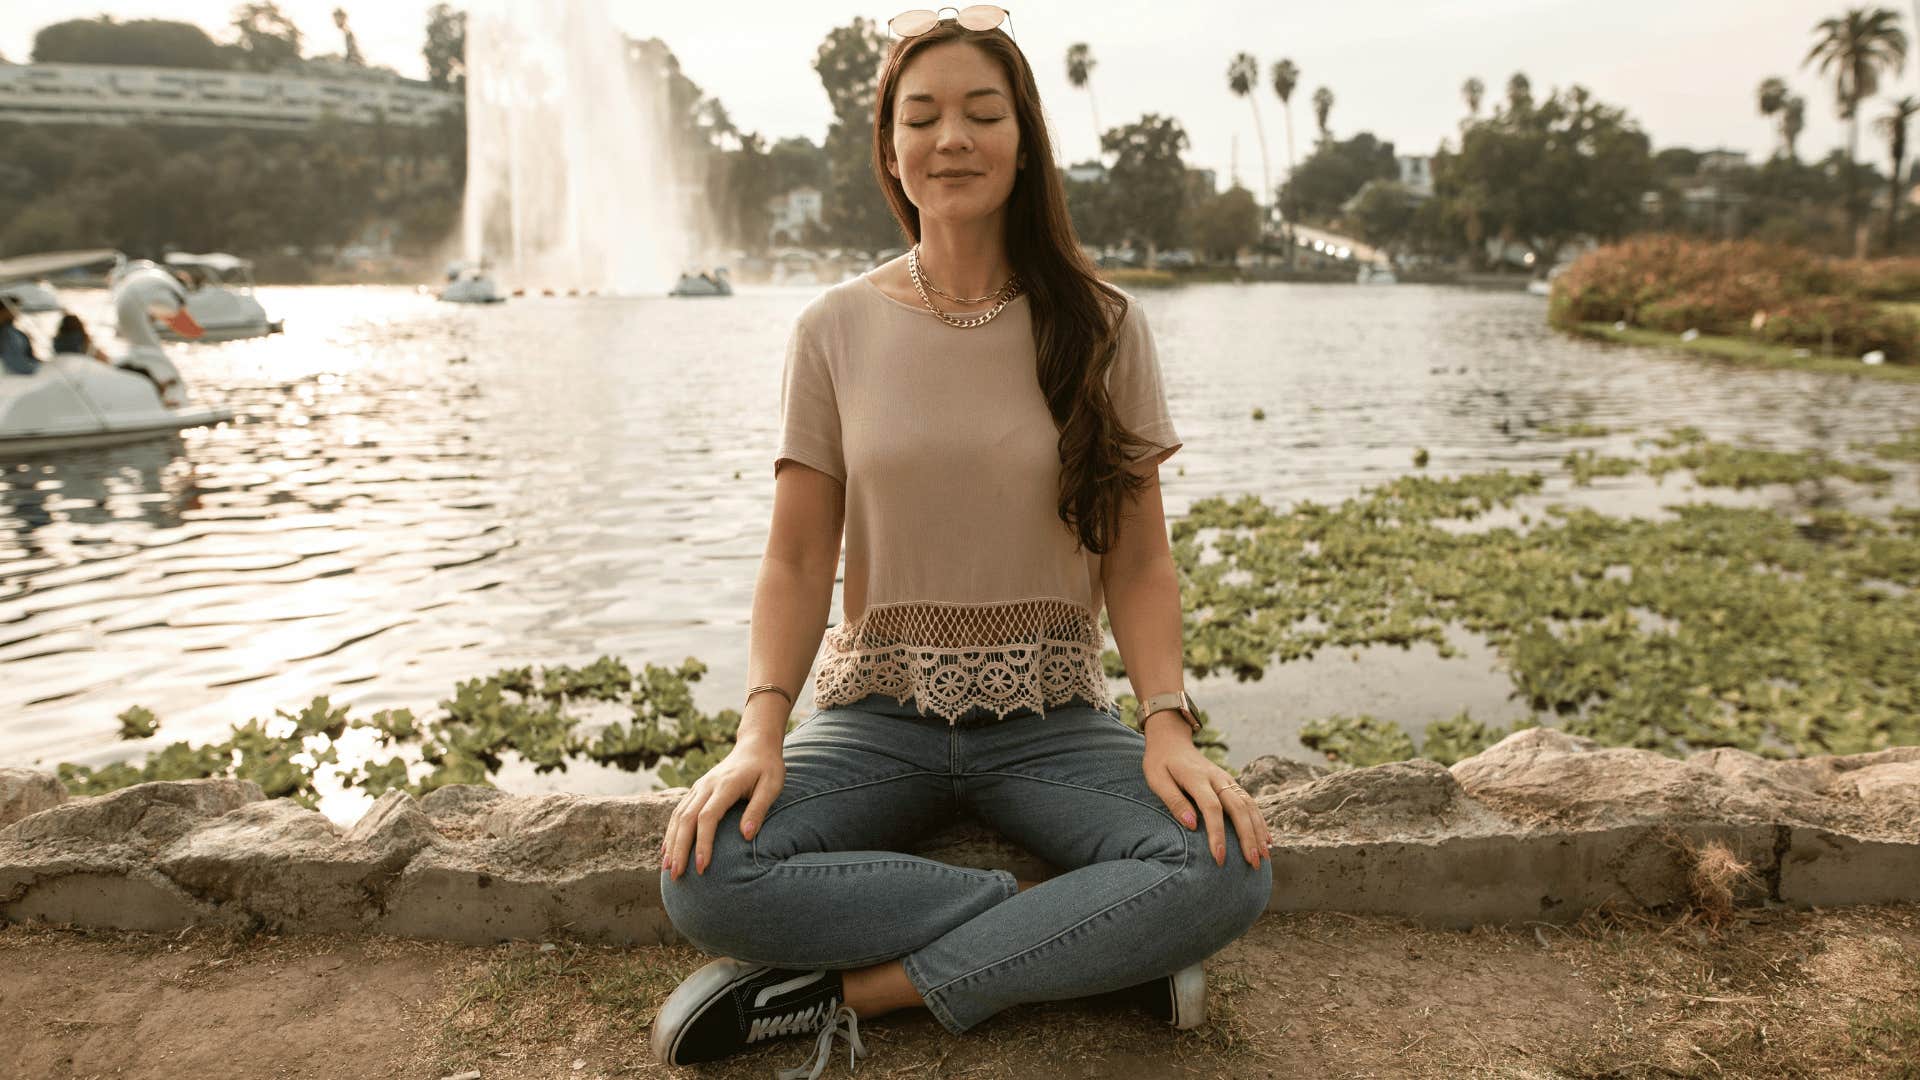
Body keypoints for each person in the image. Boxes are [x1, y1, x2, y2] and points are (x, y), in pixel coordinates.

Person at [652, 8, 1273, 1076]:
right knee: (704, 876)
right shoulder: (833, 328)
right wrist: (760, 732)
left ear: (1023, 138)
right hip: (879, 716)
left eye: (983, 113)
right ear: (890, 148)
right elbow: (799, 558)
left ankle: (863, 994)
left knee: (1224, 868)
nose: (952, 139)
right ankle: (1074, 934)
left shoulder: (1104, 324)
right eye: (921, 116)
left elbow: (1138, 558)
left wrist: (1167, 722)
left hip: (1054, 722)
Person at [1, 297, 42, 376]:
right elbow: (16, 363)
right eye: (14, 308)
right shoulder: (7, 333)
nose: (17, 312)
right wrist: (35, 367)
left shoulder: (13, 331)